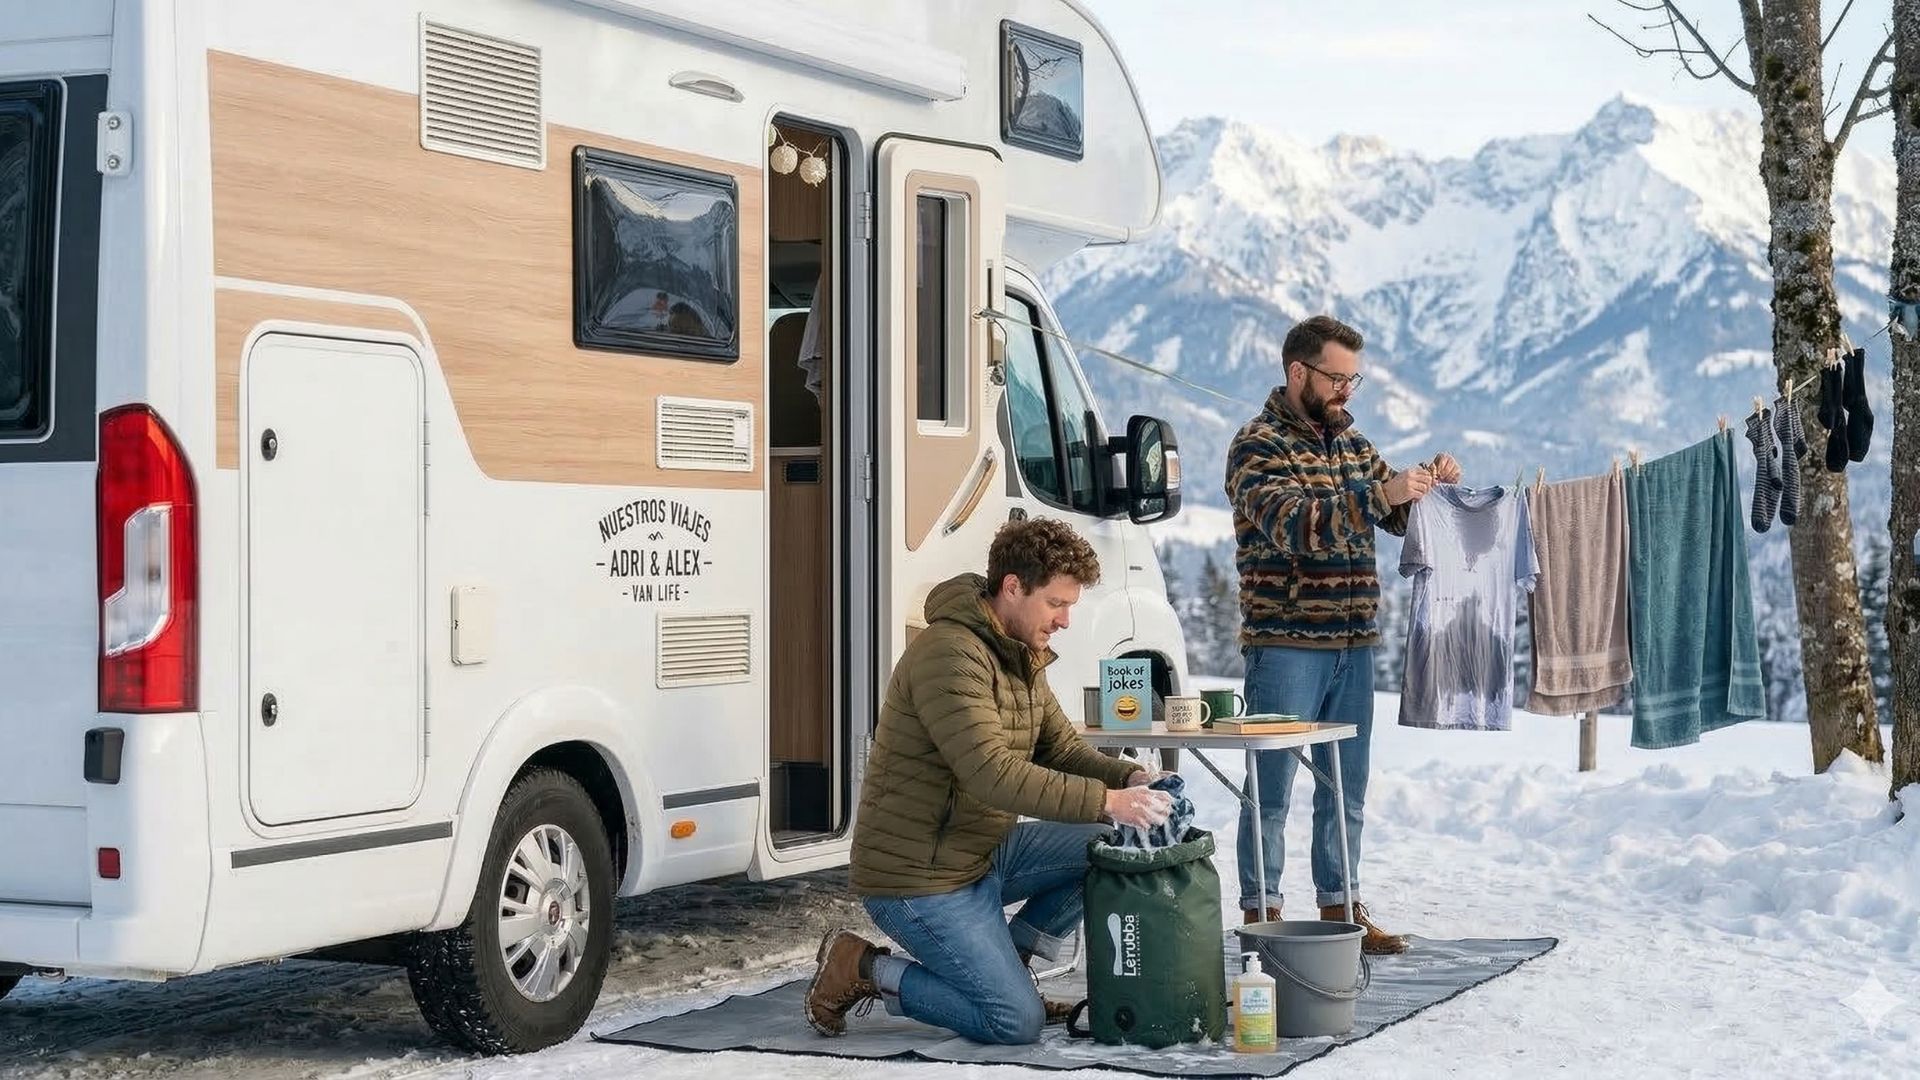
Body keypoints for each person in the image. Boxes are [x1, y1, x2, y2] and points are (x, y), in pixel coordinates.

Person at [803, 518, 1175, 1044]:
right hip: (919, 880)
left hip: (980, 853)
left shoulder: (1019, 653)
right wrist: (1109, 800)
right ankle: (864, 967)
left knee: (1114, 845)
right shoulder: (950, 654)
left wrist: (1132, 775)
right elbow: (991, 774)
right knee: (1013, 1021)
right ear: (1013, 588)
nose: (1066, 620)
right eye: (1056, 604)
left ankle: (1010, 966)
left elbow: (1060, 748)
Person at [1223, 314, 1460, 955]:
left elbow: (1392, 518)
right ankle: (1264, 919)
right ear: (1298, 371)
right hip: (1285, 644)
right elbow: (1298, 527)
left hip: (1354, 644)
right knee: (1270, 790)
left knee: (1344, 789)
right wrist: (1381, 493)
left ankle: (1340, 915)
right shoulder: (1256, 447)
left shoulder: (1351, 443)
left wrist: (1427, 492)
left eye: (1353, 380)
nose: (1346, 391)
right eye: (1336, 378)